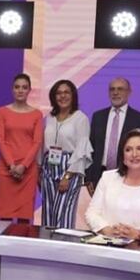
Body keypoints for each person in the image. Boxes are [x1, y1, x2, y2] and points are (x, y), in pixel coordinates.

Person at [40, 79, 93, 229]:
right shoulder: (49, 118)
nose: (62, 96)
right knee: (48, 214)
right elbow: (43, 145)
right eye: (59, 93)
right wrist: (40, 170)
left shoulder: (80, 118)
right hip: (48, 168)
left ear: (73, 96)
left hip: (69, 169)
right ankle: (46, 250)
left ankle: (61, 249)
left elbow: (81, 149)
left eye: (66, 92)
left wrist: (68, 176)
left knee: (63, 215)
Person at [87, 77, 140, 193]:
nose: (115, 93)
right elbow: (91, 148)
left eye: (120, 89)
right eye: (112, 89)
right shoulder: (98, 116)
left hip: (127, 174)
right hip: (100, 175)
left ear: (129, 92)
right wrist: (89, 177)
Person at [0, 73, 43, 222]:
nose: (20, 90)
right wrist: (12, 165)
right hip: (6, 168)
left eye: (24, 87)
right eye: (17, 87)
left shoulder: (37, 114)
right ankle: (2, 245)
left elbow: (37, 142)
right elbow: (0, 140)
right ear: (12, 90)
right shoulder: (2, 112)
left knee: (24, 217)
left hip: (27, 171)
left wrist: (23, 166)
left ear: (29, 90)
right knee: (5, 216)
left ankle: (22, 244)